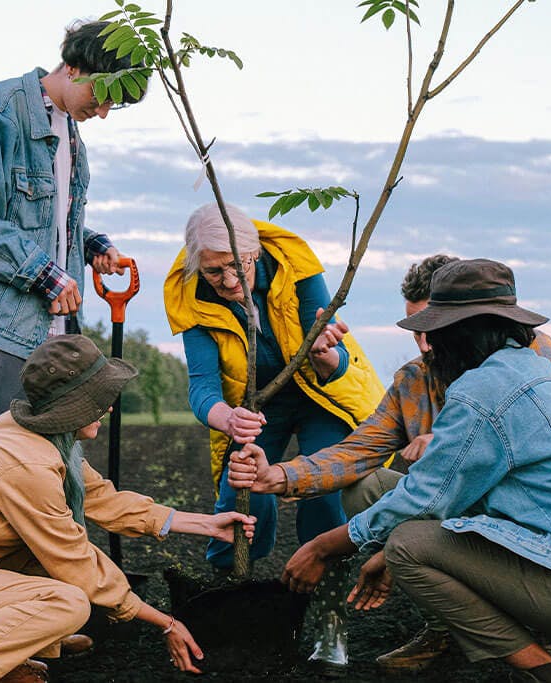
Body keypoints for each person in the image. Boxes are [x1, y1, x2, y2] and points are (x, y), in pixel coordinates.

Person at [242, 258, 551, 683]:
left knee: (410, 546)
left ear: (459, 332)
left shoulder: (483, 386)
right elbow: (363, 451)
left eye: (431, 332)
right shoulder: (532, 371)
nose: (425, 345)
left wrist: (326, 546)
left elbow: (427, 496)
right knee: (389, 510)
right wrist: (282, 476)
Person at [0, 335, 256, 682]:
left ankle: (5, 657)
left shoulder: (43, 437)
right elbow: (74, 559)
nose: (110, 408)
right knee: (66, 601)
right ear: (74, 406)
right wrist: (164, 621)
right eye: (101, 400)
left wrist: (207, 524)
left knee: (45, 567)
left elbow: (104, 499)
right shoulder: (27, 462)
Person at [163, 202, 385, 673]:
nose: (226, 282)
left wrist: (326, 354)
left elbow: (334, 361)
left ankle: (329, 624)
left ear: (256, 252)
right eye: (213, 271)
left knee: (324, 495)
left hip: (321, 395)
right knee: (241, 496)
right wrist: (225, 417)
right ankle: (229, 601)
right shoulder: (188, 292)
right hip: (254, 405)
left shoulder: (296, 264)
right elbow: (202, 385)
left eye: (234, 267)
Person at [0, 20, 138, 442]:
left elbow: (48, 222)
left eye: (114, 106)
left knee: (51, 473)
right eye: (102, 96)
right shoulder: (3, 108)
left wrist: (91, 244)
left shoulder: (70, 131)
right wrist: (44, 273)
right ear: (73, 66)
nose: (103, 112)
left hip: (55, 334)